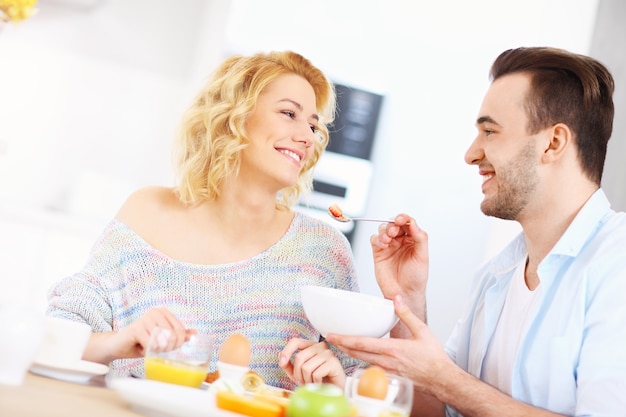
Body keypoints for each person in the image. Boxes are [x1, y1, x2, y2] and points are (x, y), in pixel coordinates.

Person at [326, 46, 626, 416]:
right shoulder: (495, 276)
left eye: (489, 131)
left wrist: (446, 381)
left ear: (553, 143)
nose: (471, 153)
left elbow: (449, 386)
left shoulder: (617, 265)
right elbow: (437, 410)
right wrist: (408, 303)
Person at [46, 50, 363, 390]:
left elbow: (368, 387)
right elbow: (55, 336)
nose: (307, 137)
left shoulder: (324, 251)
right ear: (233, 117)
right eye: (289, 113)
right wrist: (120, 341)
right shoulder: (147, 212)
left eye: (313, 125)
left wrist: (339, 383)